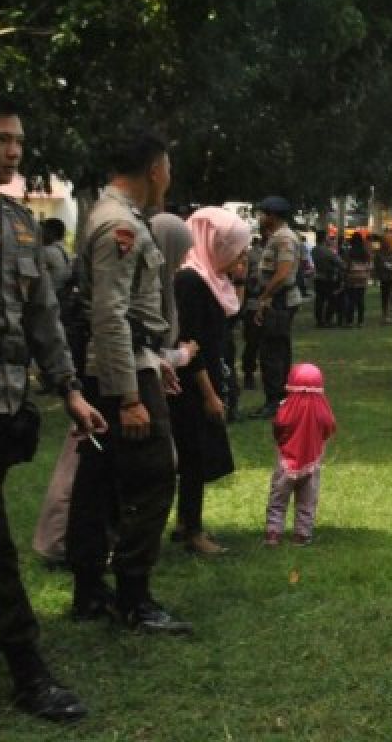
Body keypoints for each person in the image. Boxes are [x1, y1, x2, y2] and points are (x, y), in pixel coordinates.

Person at [0, 92, 107, 722]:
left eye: (17, 140)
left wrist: (70, 390)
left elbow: (43, 318)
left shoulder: (22, 224)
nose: (13, 151)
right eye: (0, 138)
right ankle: (28, 670)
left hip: (5, 401)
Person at [66, 126, 193, 638]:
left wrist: (153, 360)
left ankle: (90, 590)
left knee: (96, 482)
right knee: (154, 474)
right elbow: (111, 316)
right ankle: (134, 596)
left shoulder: (111, 215)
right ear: (155, 169)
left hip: (122, 364)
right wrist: (129, 396)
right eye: (168, 168)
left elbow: (125, 318)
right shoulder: (120, 224)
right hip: (118, 375)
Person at [170, 207, 250, 554]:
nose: (241, 255)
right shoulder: (190, 280)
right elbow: (190, 342)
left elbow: (228, 321)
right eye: (235, 247)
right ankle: (192, 530)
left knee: (199, 456)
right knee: (193, 456)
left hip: (209, 377)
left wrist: (240, 278)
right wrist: (209, 394)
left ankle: (187, 523)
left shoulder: (214, 280)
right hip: (191, 384)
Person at [265, 363, 336, 546]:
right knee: (307, 501)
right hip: (312, 463)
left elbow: (279, 425)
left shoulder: (286, 407)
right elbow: (329, 427)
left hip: (286, 463)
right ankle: (302, 534)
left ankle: (274, 533)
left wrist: (281, 441)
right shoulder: (322, 409)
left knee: (278, 499)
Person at [251, 196, 301, 419]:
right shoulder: (277, 237)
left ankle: (276, 400)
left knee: (272, 352)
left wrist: (265, 296)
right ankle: (280, 397)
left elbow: (282, 274)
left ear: (272, 216)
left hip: (279, 301)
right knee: (277, 349)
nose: (260, 218)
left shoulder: (284, 238)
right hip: (277, 299)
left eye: (263, 213)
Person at [310, 228, 346, 328]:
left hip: (318, 277)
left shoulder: (314, 250)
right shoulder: (328, 252)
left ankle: (319, 320)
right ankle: (327, 319)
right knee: (331, 299)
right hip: (328, 278)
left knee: (319, 300)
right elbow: (340, 263)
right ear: (324, 238)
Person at [240, 235, 263, 389]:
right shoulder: (250, 255)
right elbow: (244, 280)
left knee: (260, 342)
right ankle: (248, 373)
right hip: (253, 302)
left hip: (266, 302)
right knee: (252, 342)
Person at [373, 228, 392, 324]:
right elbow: (377, 264)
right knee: (384, 296)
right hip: (384, 277)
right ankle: (386, 314)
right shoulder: (379, 252)